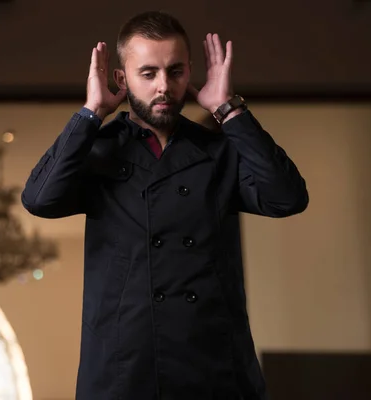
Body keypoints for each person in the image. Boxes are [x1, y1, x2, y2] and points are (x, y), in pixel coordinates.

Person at [22, 10, 308, 400]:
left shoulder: (218, 150)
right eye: (148, 73)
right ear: (121, 78)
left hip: (214, 366)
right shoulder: (99, 149)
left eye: (175, 72)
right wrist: (91, 113)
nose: (164, 86)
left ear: (190, 72)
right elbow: (39, 199)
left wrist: (228, 110)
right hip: (125, 368)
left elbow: (287, 197)